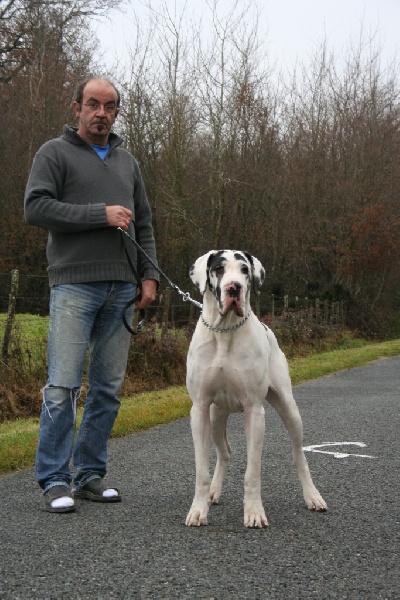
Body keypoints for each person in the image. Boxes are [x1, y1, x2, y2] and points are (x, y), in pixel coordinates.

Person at [24, 76, 159, 513]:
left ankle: (88, 475)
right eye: (93, 104)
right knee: (62, 387)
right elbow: (36, 207)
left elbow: (144, 224)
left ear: (116, 112)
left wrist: (149, 278)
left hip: (122, 289)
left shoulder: (127, 162)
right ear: (77, 107)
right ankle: (54, 479)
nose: (101, 113)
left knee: (107, 389)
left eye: (110, 106)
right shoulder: (54, 153)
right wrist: (99, 215)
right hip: (73, 286)